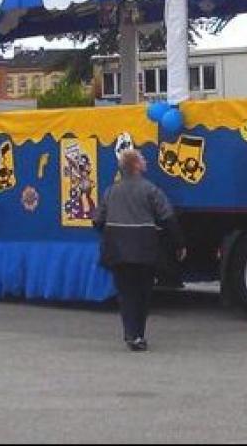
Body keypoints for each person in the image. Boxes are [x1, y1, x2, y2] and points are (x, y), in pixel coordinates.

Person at [93, 148, 186, 352]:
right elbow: (167, 217)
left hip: (117, 250)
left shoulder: (110, 191)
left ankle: (130, 334)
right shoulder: (150, 190)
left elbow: (98, 220)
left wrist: (110, 234)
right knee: (143, 293)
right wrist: (178, 244)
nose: (145, 161)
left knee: (125, 293)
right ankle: (139, 334)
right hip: (144, 249)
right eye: (142, 158)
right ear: (135, 166)